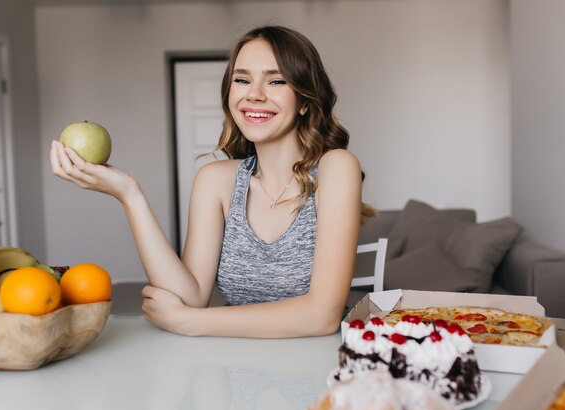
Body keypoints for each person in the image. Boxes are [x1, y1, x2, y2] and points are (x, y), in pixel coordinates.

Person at [50, 25, 370, 338]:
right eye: (242, 79)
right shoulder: (215, 180)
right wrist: (129, 195)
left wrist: (190, 322)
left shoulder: (337, 168)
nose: (254, 95)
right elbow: (189, 297)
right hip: (234, 373)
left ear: (304, 101)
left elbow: (322, 316)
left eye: (276, 81)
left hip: (316, 376)